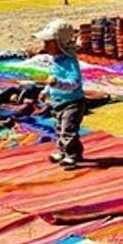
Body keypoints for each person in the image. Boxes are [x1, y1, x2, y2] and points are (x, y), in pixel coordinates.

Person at [33, 18, 85, 169]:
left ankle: (73, 155)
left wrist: (58, 84)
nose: (44, 46)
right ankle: (63, 151)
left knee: (68, 130)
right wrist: (46, 91)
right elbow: (51, 81)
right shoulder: (54, 60)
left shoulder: (70, 62)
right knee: (59, 128)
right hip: (58, 102)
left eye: (48, 42)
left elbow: (74, 83)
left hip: (72, 102)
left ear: (60, 43)